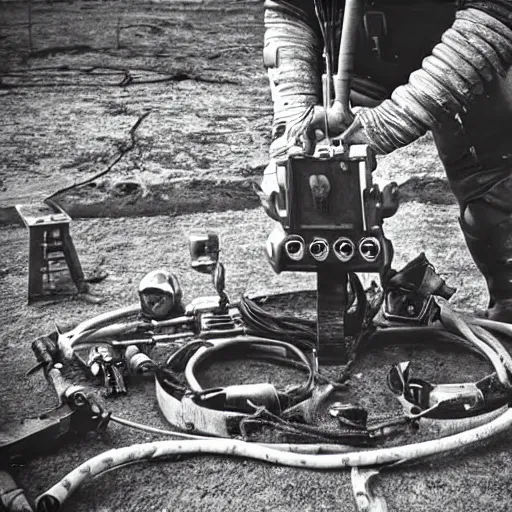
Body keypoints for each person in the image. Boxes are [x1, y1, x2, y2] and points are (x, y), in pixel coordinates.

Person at [261, 0, 512, 322]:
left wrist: (392, 122)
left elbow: (494, 15)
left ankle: (508, 302)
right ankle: (341, 286)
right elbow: (289, 10)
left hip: (461, 52)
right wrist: (290, 128)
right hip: (348, 70)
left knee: (495, 180)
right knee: (309, 175)